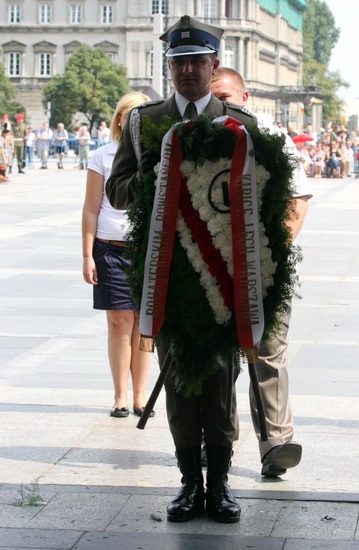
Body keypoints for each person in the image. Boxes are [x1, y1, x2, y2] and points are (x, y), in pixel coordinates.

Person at [106, 16, 258, 525]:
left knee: (219, 381)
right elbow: (116, 191)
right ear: (168, 66)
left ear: (215, 66)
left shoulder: (239, 124)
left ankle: (220, 486)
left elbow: (259, 201)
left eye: (197, 62)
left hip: (220, 275)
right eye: (179, 62)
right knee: (178, 387)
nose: (188, 70)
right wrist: (152, 176)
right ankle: (188, 485)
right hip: (166, 272)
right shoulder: (144, 122)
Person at [210, 67, 312, 476]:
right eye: (215, 99)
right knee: (218, 358)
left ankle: (277, 443)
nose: (223, 106)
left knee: (268, 353)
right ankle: (217, 440)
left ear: (246, 97)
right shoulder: (197, 140)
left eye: (228, 97)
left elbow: (297, 201)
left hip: (266, 266)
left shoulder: (273, 139)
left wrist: (268, 258)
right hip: (211, 265)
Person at [82, 91, 154, 420]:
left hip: (146, 249)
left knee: (143, 324)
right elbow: (91, 208)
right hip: (110, 248)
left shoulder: (155, 154)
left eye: (141, 114)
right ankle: (120, 396)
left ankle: (141, 396)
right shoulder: (102, 156)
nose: (133, 120)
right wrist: (87, 255)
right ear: (119, 119)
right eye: (129, 114)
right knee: (118, 322)